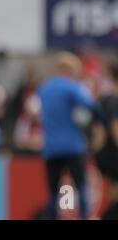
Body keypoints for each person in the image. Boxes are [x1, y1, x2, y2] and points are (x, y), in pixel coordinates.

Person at [38, 51, 103, 220]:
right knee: (81, 187)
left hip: (51, 148)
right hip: (73, 146)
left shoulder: (44, 88)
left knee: (53, 192)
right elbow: (91, 107)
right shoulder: (71, 87)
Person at [93, 62, 118, 219]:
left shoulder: (103, 99)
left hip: (104, 152)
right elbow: (116, 129)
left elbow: (97, 129)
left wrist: (98, 149)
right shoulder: (113, 100)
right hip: (113, 153)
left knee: (111, 193)